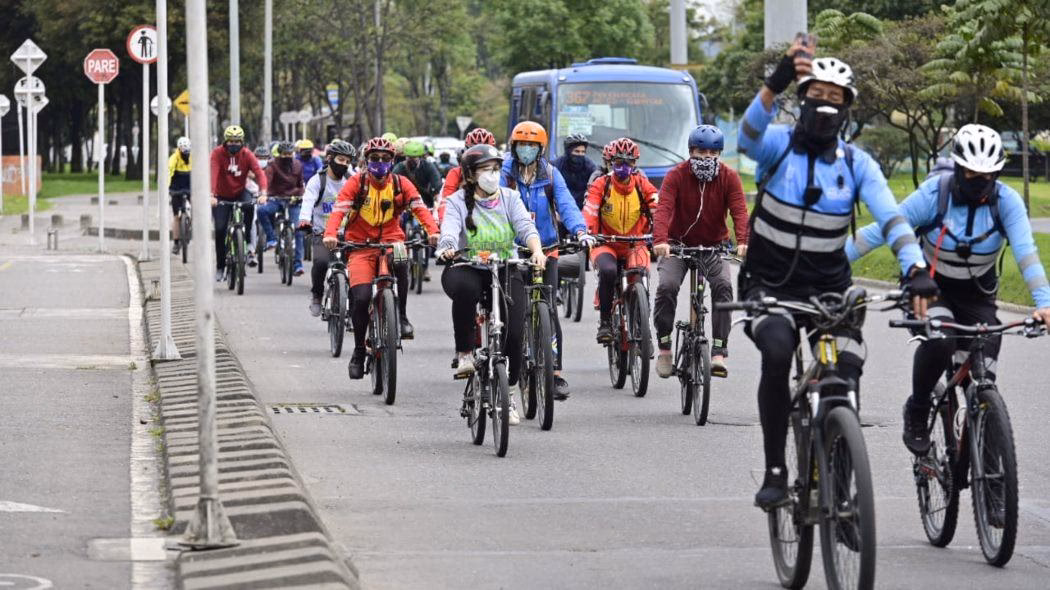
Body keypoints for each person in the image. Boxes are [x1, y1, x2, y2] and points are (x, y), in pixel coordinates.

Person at [737, 41, 936, 509]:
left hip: (830, 288)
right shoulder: (777, 148)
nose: (825, 105)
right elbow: (746, 137)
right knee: (778, 350)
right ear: (802, 98)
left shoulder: (856, 164)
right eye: (816, 94)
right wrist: (775, 81)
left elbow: (892, 218)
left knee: (843, 375)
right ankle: (775, 468)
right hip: (770, 286)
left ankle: (843, 490)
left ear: (847, 109)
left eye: (836, 97)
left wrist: (916, 268)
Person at [847, 124, 1050, 455]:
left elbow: (1027, 255)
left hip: (977, 295)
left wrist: (1044, 303)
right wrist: (832, 262)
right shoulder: (933, 195)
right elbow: (882, 230)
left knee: (986, 360)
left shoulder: (1007, 202)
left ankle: (987, 452)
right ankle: (917, 408)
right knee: (941, 341)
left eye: (988, 174)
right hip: (931, 289)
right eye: (971, 172)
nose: (979, 180)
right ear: (957, 167)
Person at [437, 144, 546, 425]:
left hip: (505, 267)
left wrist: (536, 250)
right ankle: (464, 353)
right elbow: (448, 231)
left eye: (496, 169)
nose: (493, 175)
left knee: (515, 329)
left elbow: (525, 226)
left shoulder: (510, 197)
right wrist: (448, 247)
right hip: (467, 267)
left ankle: (508, 393)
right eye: (486, 169)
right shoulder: (457, 202)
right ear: (471, 175)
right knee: (466, 290)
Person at [322, 137, 440, 379]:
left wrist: (433, 232)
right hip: (359, 245)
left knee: (402, 260)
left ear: (392, 161)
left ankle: (403, 317)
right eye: (374, 159)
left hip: (391, 240)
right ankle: (357, 350)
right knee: (362, 296)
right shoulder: (357, 182)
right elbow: (339, 211)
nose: (379, 163)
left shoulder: (401, 183)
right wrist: (331, 234)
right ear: (366, 161)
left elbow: (420, 208)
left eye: (385, 159)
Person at [502, 120, 594, 400]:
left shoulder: (551, 174)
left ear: (540, 148)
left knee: (549, 311)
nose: (526, 150)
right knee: (512, 316)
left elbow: (566, 204)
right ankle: (506, 369)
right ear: (513, 147)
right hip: (513, 252)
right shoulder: (504, 173)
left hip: (547, 249)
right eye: (521, 145)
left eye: (532, 145)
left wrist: (580, 231)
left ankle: (554, 373)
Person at [652, 125, 750, 379]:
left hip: (713, 247)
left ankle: (718, 351)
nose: (707, 156)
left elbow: (739, 210)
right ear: (690, 151)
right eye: (701, 151)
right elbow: (663, 209)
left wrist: (743, 241)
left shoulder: (729, 177)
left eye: (713, 152)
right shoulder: (677, 175)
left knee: (723, 286)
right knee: (667, 286)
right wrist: (661, 240)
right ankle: (664, 347)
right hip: (677, 245)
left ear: (720, 154)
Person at [582, 138, 658, 343]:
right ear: (611, 163)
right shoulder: (602, 184)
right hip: (605, 241)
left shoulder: (642, 184)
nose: (623, 167)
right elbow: (590, 209)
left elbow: (656, 206)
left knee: (641, 276)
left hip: (635, 242)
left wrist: (663, 233)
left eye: (629, 162)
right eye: (618, 162)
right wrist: (586, 233)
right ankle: (605, 322)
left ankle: (643, 329)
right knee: (608, 271)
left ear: (635, 165)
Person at [299, 140, 356, 316]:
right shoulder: (317, 180)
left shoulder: (351, 179)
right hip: (321, 232)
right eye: (340, 160)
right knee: (321, 263)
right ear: (330, 158)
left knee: (355, 269)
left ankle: (355, 306)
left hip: (348, 233)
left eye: (347, 161)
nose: (344, 165)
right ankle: (317, 294)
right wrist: (304, 220)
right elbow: (308, 201)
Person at [211, 125, 268, 282]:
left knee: (250, 205)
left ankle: (249, 244)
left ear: (242, 141)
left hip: (239, 192)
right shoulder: (217, 154)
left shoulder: (247, 154)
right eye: (231, 141)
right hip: (221, 196)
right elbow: (213, 174)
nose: (234, 144)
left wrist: (263, 192)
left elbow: (259, 173)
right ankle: (220, 267)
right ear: (225, 141)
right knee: (220, 230)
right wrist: (211, 195)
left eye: (237, 141)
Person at [257, 141, 306, 269]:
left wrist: (302, 196)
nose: (288, 156)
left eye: (290, 153)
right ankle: (272, 238)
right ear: (279, 154)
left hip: (294, 200)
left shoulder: (298, 165)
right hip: (276, 199)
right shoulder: (272, 165)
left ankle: (298, 264)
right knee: (261, 211)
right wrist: (264, 194)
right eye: (285, 154)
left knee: (299, 231)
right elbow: (266, 182)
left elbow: (301, 185)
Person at [436, 128, 497, 222]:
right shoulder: (456, 173)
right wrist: (445, 222)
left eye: (486, 155)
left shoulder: (499, 173)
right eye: (475, 154)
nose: (480, 159)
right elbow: (446, 201)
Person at [553, 132, 596, 209]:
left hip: (583, 210)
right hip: (560, 209)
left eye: (583, 152)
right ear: (568, 152)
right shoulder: (557, 166)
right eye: (577, 151)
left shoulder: (590, 166)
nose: (580, 154)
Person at [168, 136, 192, 255]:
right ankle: (176, 243)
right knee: (176, 217)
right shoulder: (174, 158)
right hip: (176, 189)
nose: (185, 153)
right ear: (179, 149)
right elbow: (169, 172)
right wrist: (168, 188)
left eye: (187, 151)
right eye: (183, 151)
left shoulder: (193, 157)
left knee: (197, 210)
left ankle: (192, 226)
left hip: (191, 188)